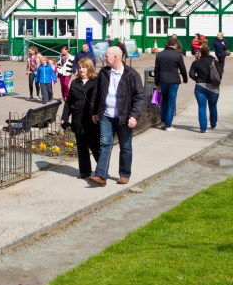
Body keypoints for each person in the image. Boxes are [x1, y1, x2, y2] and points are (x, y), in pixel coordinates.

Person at [90, 46, 145, 186]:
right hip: (106, 116)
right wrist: (95, 112)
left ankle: (124, 174)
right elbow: (96, 94)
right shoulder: (103, 73)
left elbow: (140, 97)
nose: (104, 57)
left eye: (107, 55)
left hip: (124, 117)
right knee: (105, 144)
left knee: (125, 146)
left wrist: (134, 116)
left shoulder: (131, 75)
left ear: (116, 57)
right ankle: (101, 175)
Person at [61, 58, 100, 179]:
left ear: (90, 68)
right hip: (77, 119)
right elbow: (68, 102)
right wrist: (65, 117)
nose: (81, 70)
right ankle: (84, 171)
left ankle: (102, 170)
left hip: (91, 120)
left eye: (84, 67)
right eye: (80, 67)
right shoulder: (75, 82)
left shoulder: (96, 81)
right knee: (81, 147)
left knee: (95, 146)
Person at [153, 38, 187, 131]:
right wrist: (185, 78)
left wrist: (157, 82)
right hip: (173, 80)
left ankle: (163, 121)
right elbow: (182, 68)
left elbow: (156, 70)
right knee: (171, 102)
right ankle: (168, 125)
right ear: (175, 45)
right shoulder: (178, 55)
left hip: (163, 80)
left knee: (164, 100)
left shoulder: (159, 55)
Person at [189, 45, 220, 133]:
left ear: (200, 52)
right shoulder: (215, 62)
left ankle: (203, 128)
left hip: (200, 87)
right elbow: (220, 75)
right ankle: (213, 124)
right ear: (209, 52)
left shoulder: (196, 62)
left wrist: (197, 79)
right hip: (213, 87)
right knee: (213, 106)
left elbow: (191, 74)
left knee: (202, 107)